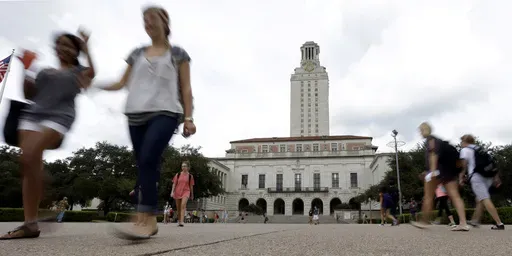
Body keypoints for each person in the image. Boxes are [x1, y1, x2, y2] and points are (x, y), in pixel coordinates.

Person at [99, 6, 196, 238]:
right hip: (135, 114)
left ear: (165, 21)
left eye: (152, 18)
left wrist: (189, 118)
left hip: (165, 112)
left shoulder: (178, 53)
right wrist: (93, 83)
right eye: (144, 20)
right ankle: (143, 216)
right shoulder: (137, 53)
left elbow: (186, 88)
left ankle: (149, 217)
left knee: (149, 157)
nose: (148, 23)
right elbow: (121, 83)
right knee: (144, 164)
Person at [0, 31, 95, 240]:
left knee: (29, 156)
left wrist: (87, 49)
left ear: (75, 50)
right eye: (60, 44)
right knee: (30, 165)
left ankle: (47, 198)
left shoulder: (78, 71)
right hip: (32, 116)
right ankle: (30, 224)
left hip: (59, 118)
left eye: (69, 45)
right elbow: (29, 94)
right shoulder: (45, 72)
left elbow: (92, 74)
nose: (63, 48)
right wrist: (25, 69)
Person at [411, 122, 469, 231]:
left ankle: (424, 221)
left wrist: (432, 171)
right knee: (455, 196)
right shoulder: (439, 141)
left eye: (420, 130)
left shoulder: (430, 139)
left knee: (428, 196)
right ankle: (463, 223)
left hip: (437, 171)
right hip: (448, 171)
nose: (420, 133)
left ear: (424, 130)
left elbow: (433, 154)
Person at [459, 134, 504, 230]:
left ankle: (499, 223)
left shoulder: (465, 150)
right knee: (479, 199)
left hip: (476, 176)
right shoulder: (480, 149)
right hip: (488, 176)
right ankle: (475, 220)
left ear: (464, 142)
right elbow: (492, 162)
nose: (461, 144)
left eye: (461, 142)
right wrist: (496, 177)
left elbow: (463, 166)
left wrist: (461, 177)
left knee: (484, 198)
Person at [171, 161, 195, 227]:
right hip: (177, 192)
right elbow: (174, 184)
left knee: (183, 205)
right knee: (178, 208)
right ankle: (179, 220)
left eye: (184, 166)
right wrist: (172, 192)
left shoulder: (190, 176)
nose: (183, 167)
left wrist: (192, 195)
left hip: (186, 192)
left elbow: (191, 186)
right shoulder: (178, 174)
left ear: (188, 167)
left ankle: (182, 221)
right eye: (182, 166)